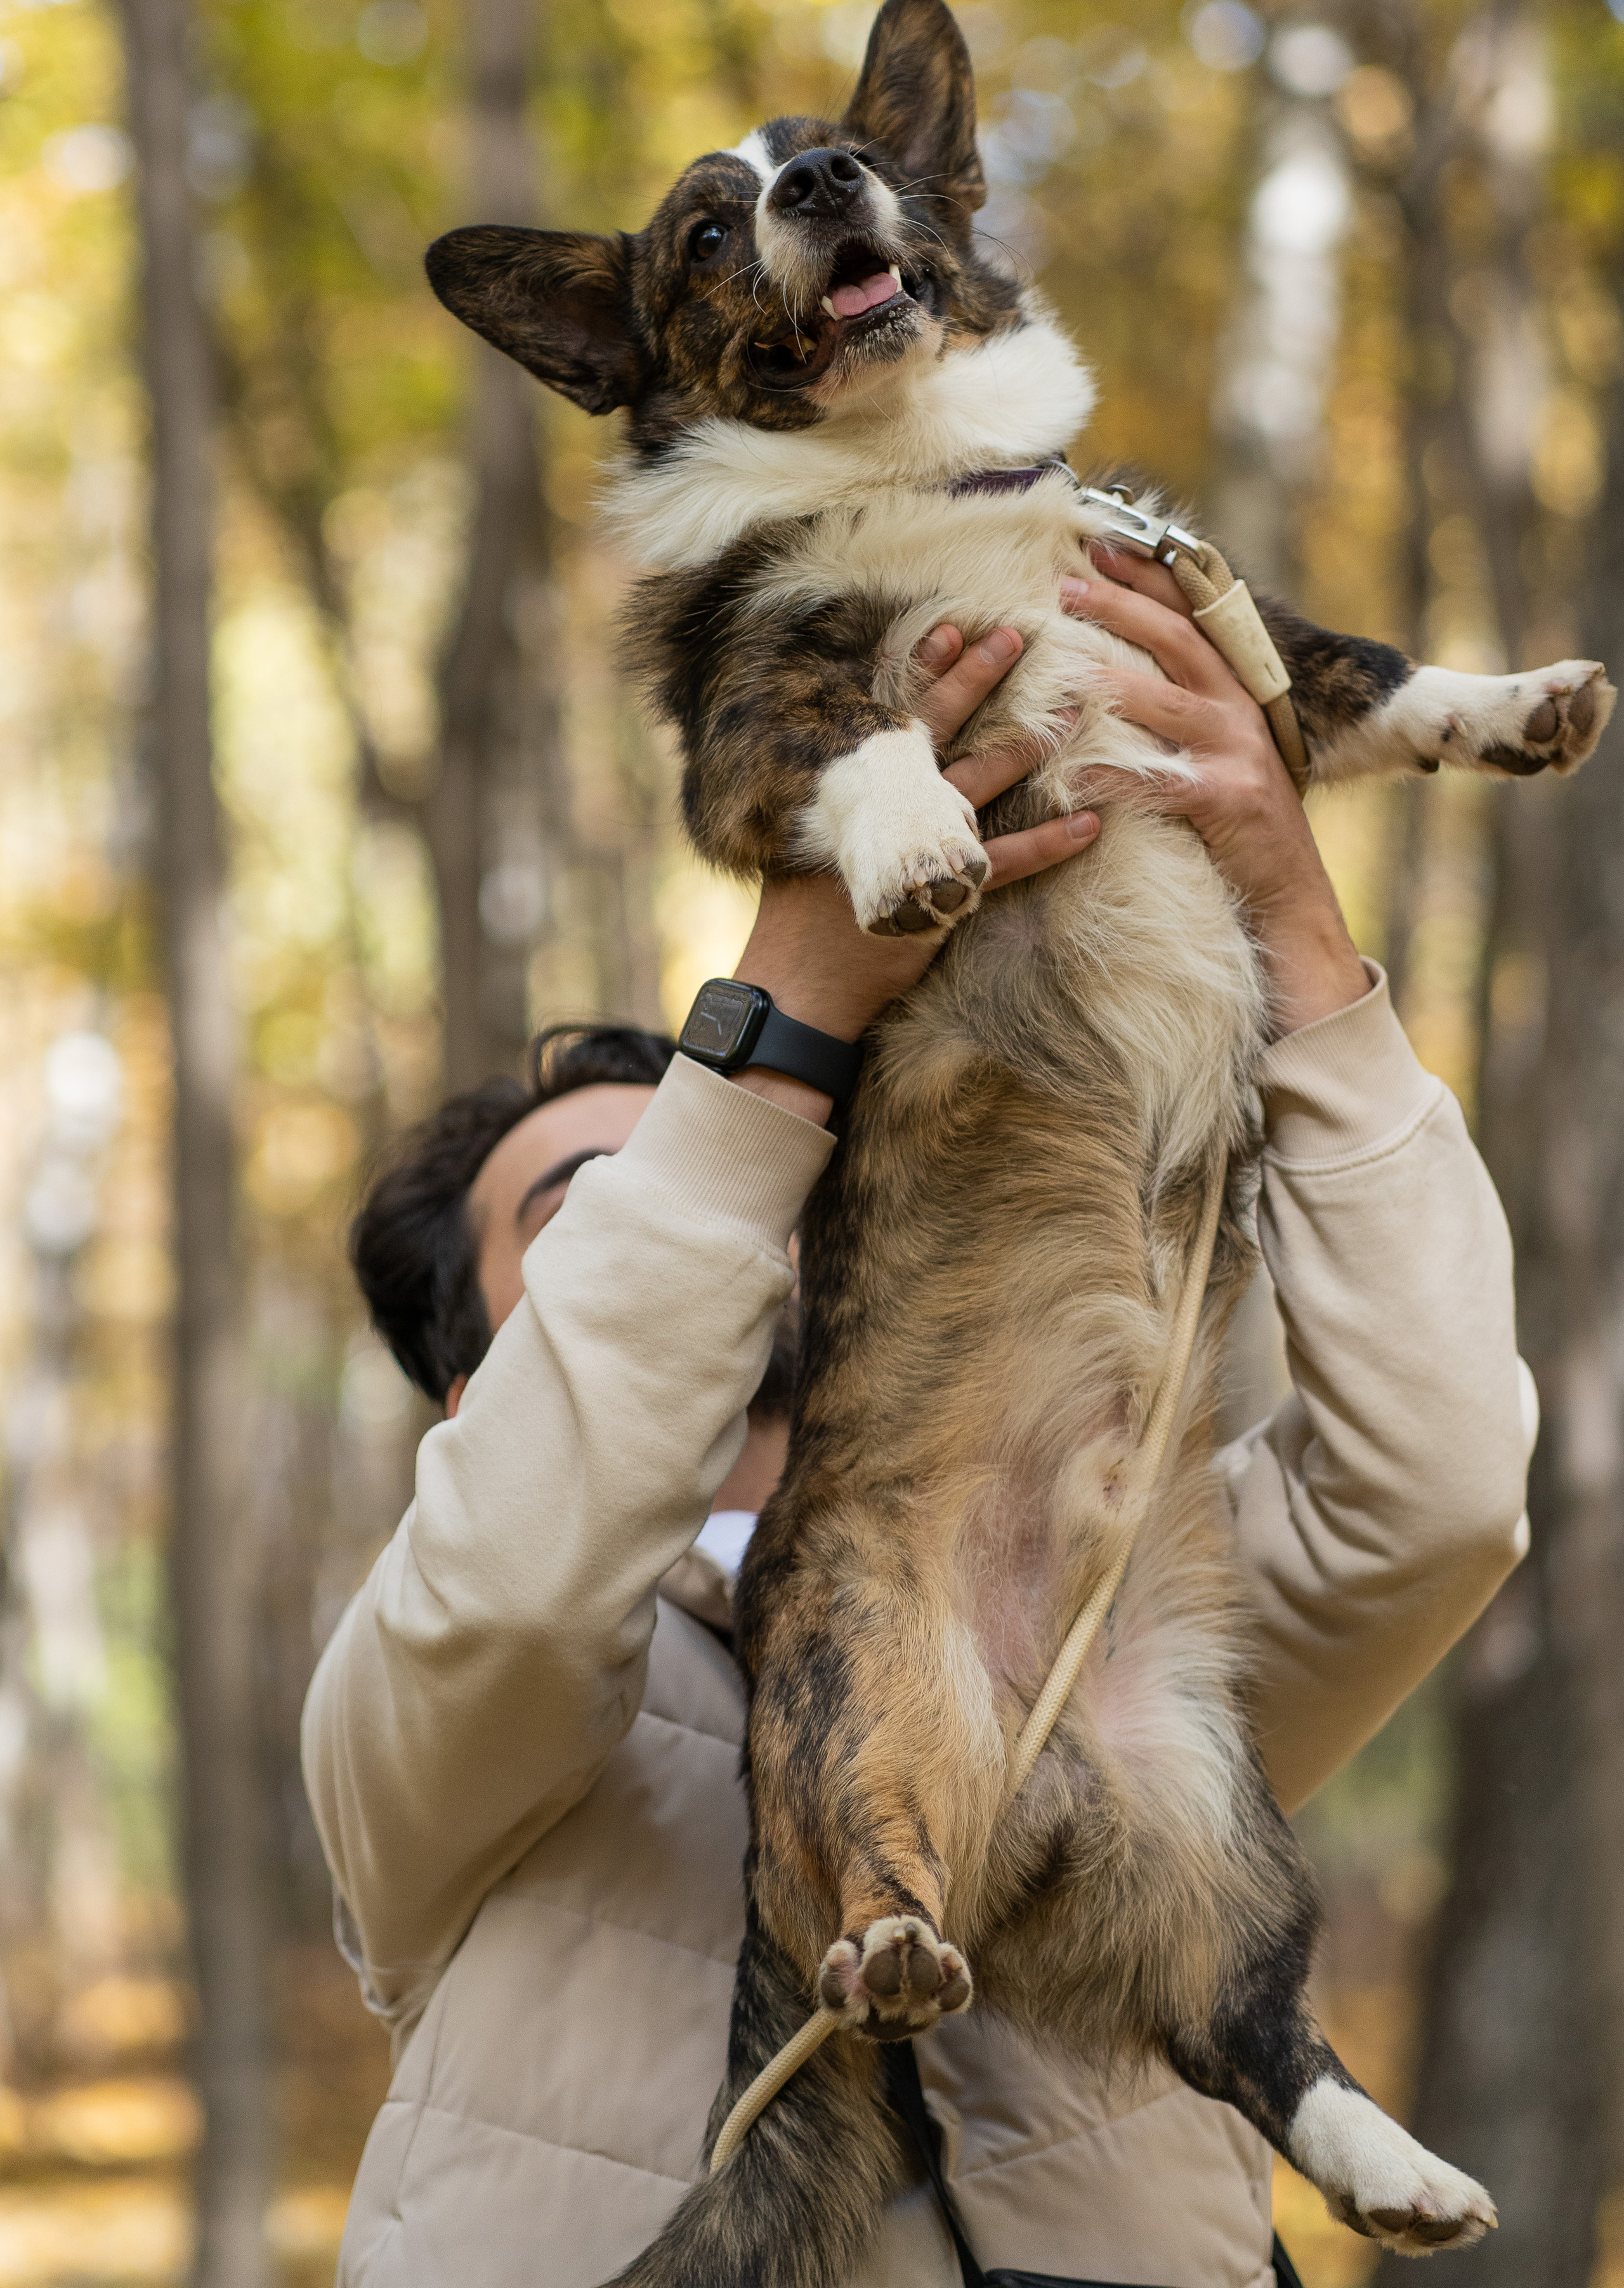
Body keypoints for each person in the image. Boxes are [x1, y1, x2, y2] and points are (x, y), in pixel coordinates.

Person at [303, 556, 1534, 2288]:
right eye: (608, 1206)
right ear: (468, 1384)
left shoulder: (1084, 1583)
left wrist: (1301, 942)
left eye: (759, 1165)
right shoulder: (425, 1697)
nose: (719, 1203)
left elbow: (1444, 1494)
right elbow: (512, 1579)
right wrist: (775, 1025)